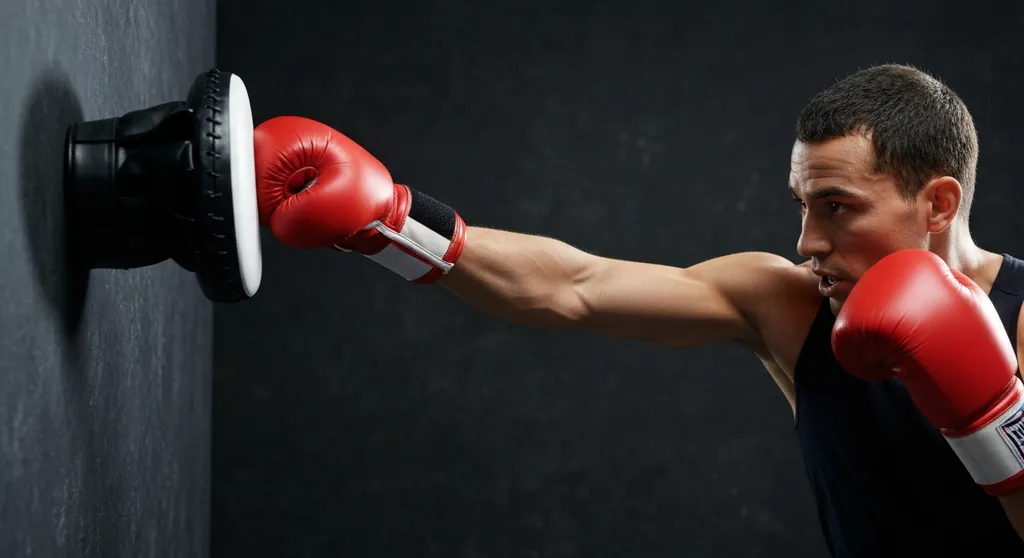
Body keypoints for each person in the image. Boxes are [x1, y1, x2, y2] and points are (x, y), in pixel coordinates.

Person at [252, 64, 1024, 556]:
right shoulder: (787, 305)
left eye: (838, 208)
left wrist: (992, 422)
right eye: (800, 205)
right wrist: (390, 220)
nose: (807, 242)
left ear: (938, 202)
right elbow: (575, 288)